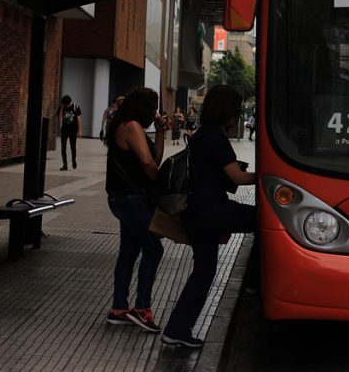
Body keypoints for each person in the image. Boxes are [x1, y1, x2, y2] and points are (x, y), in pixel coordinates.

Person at [162, 85, 256, 348]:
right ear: (226, 110)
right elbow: (237, 177)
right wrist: (271, 177)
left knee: (203, 272)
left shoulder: (204, 134)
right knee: (263, 219)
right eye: (236, 111)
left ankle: (177, 329)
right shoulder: (215, 137)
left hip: (197, 213)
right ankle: (257, 283)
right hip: (209, 212)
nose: (237, 116)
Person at [104, 86, 169, 332]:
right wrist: (164, 188)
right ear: (144, 108)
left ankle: (119, 309)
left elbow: (154, 160)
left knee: (129, 252)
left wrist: (161, 133)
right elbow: (147, 165)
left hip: (124, 198)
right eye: (153, 109)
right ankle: (142, 309)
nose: (155, 114)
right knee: (153, 248)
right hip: (129, 199)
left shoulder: (129, 126)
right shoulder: (131, 126)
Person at [56, 95, 82, 170]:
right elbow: (60, 119)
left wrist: (79, 131)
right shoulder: (62, 107)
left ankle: (73, 161)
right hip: (64, 130)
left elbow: (79, 119)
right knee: (63, 148)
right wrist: (61, 108)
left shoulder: (76, 107)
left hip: (73, 130)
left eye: (66, 104)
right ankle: (65, 165)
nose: (66, 106)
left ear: (69, 102)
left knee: (73, 147)